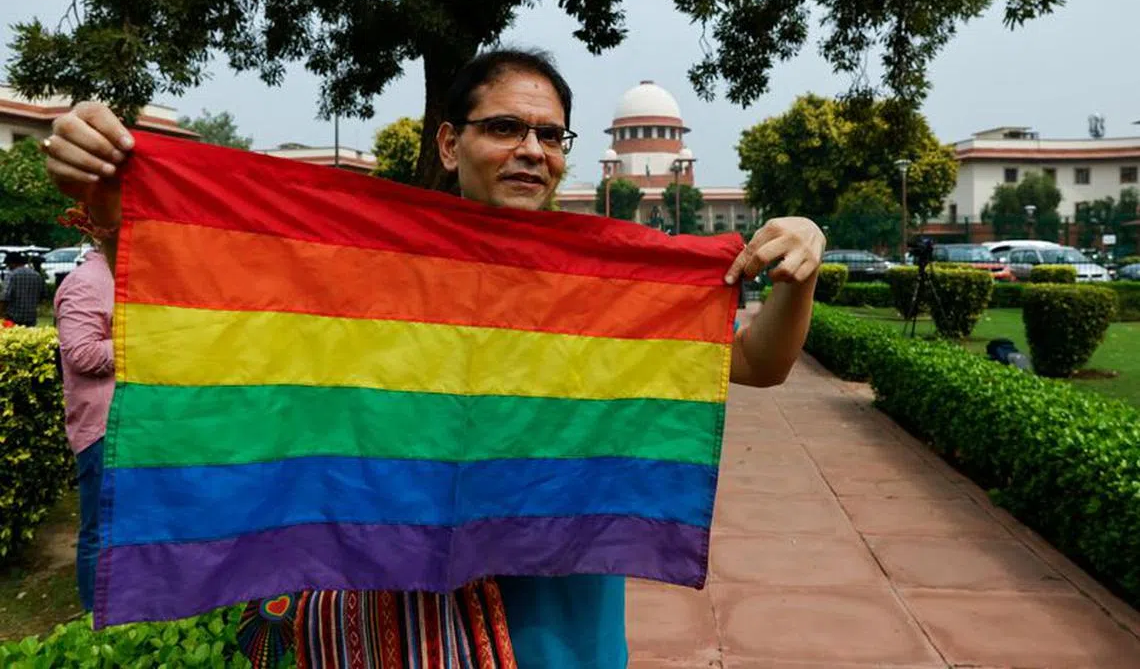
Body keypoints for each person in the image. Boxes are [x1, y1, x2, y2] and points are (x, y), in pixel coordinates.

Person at [41, 48, 825, 667]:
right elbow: (216, 293)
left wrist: (801, 268)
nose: (532, 151)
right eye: (504, 128)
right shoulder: (367, 263)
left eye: (550, 136)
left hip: (555, 621)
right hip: (387, 607)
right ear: (451, 142)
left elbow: (758, 362)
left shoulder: (607, 283)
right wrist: (114, 200)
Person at [51, 233, 115, 612]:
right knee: (100, 531)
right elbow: (82, 354)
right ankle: (96, 618)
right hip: (103, 429)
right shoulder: (86, 282)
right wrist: (145, 338)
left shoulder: (124, 277)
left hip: (135, 425)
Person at [3, 252, 45, 327]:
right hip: (31, 317)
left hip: (13, 317)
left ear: (12, 263)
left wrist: (2, 314)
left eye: (8, 264)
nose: (8, 267)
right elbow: (42, 296)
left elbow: (5, 297)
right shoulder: (37, 275)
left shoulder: (11, 275)